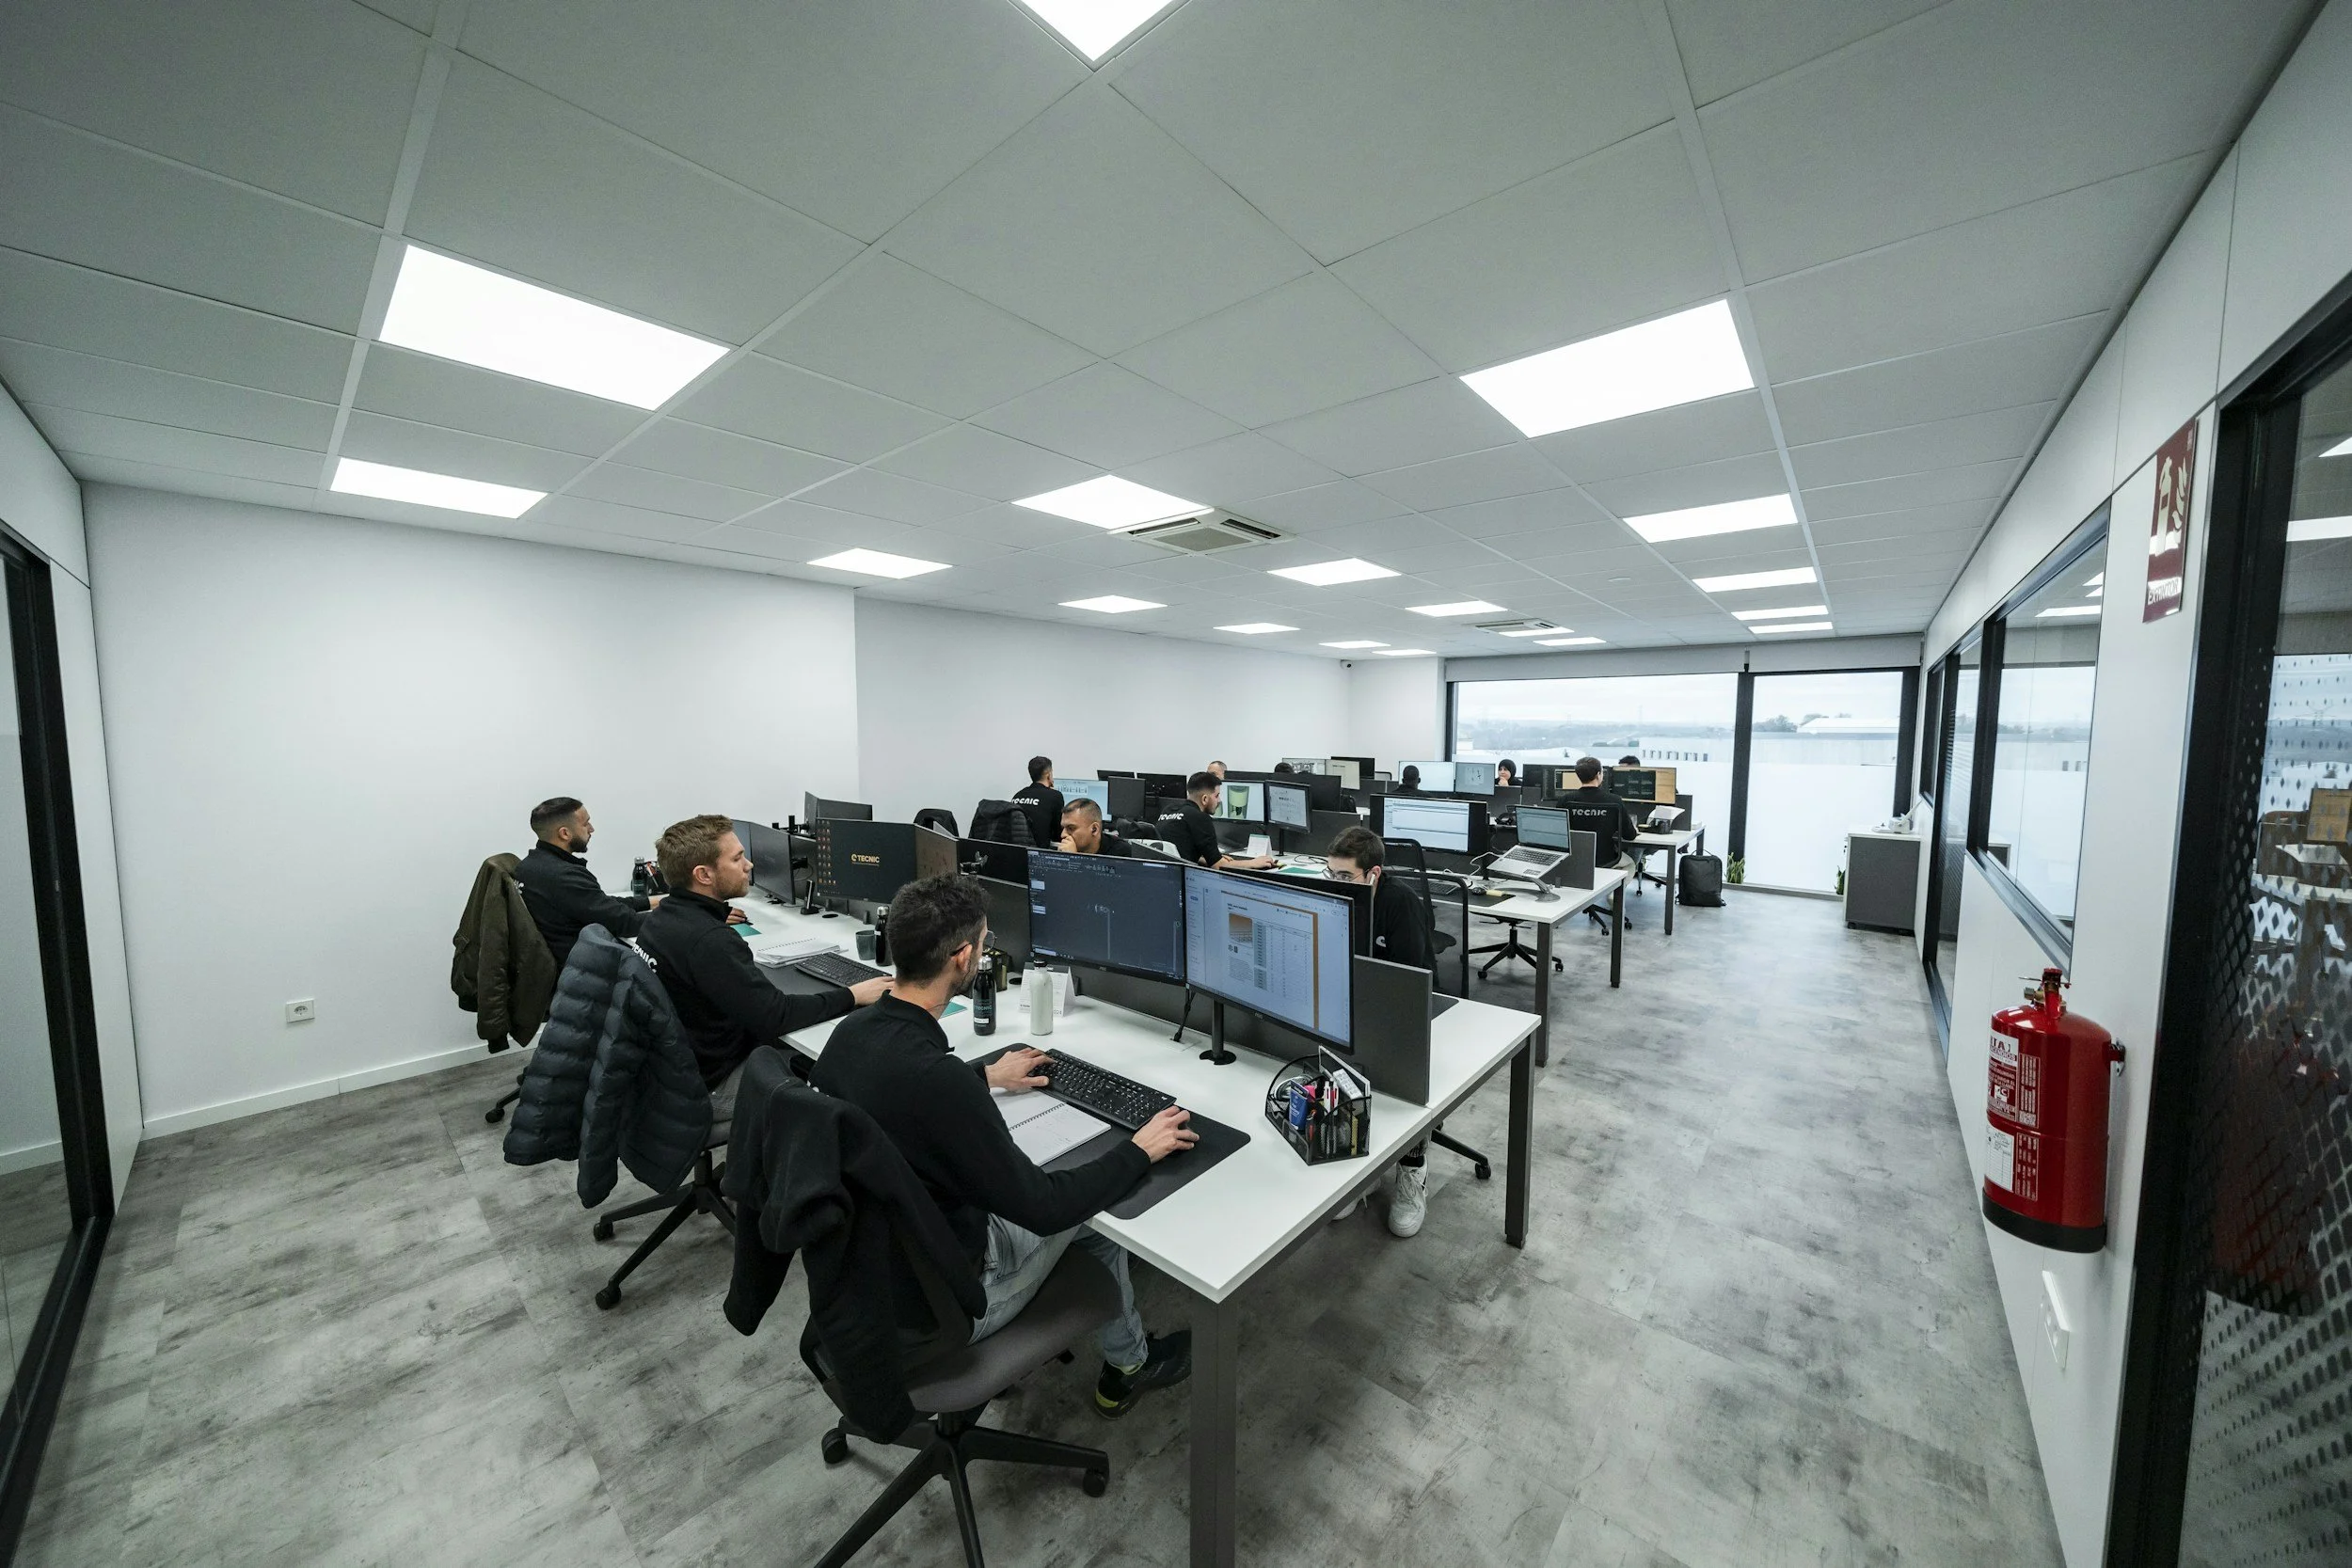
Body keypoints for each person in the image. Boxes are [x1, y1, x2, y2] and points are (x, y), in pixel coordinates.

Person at [812, 875, 1198, 1418]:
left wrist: (984, 1075)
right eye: (987, 943)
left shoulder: (852, 1035)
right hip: (949, 1307)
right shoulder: (935, 1079)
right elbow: (1045, 1208)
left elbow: (901, 1091)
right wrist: (1140, 1148)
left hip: (869, 1284)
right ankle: (1130, 1365)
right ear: (963, 957)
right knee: (1097, 1215)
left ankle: (1123, 1355)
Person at [637, 814, 890, 1116]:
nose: (749, 865)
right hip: (711, 1087)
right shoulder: (709, 940)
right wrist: (853, 995)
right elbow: (775, 1016)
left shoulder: (662, 919)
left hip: (670, 1076)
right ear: (704, 875)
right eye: (737, 859)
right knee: (852, 1086)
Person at [1326, 826, 1439, 1236]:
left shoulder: (1400, 904)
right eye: (1331, 874)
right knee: (1341, 1081)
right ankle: (1363, 1175)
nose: (1336, 885)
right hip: (1350, 1003)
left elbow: (1411, 981)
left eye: (1344, 877)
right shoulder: (1338, 900)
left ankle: (1412, 1172)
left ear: (1372, 874)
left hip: (1402, 1010)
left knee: (1401, 1090)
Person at [515, 796, 662, 971]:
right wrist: (680, 913)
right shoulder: (564, 876)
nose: (591, 829)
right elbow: (625, 923)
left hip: (559, 963)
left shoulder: (528, 866)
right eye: (586, 824)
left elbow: (597, 903)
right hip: (583, 970)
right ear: (565, 833)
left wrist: (656, 901)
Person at [1153, 771, 1274, 870]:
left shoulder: (1168, 810)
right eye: (1216, 796)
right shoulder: (1200, 818)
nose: (1220, 800)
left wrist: (1206, 858)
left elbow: (1177, 853)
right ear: (1205, 799)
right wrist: (1253, 863)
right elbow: (1218, 866)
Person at [1011, 756, 1064, 847]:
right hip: (1040, 853)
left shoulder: (1018, 795)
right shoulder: (1055, 796)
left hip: (1016, 851)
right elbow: (1059, 834)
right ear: (1049, 775)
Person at [1057, 798, 1135, 856]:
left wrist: (1073, 859)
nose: (1063, 834)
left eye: (1071, 828)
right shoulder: (1063, 850)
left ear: (1094, 829)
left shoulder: (1120, 853)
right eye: (1063, 828)